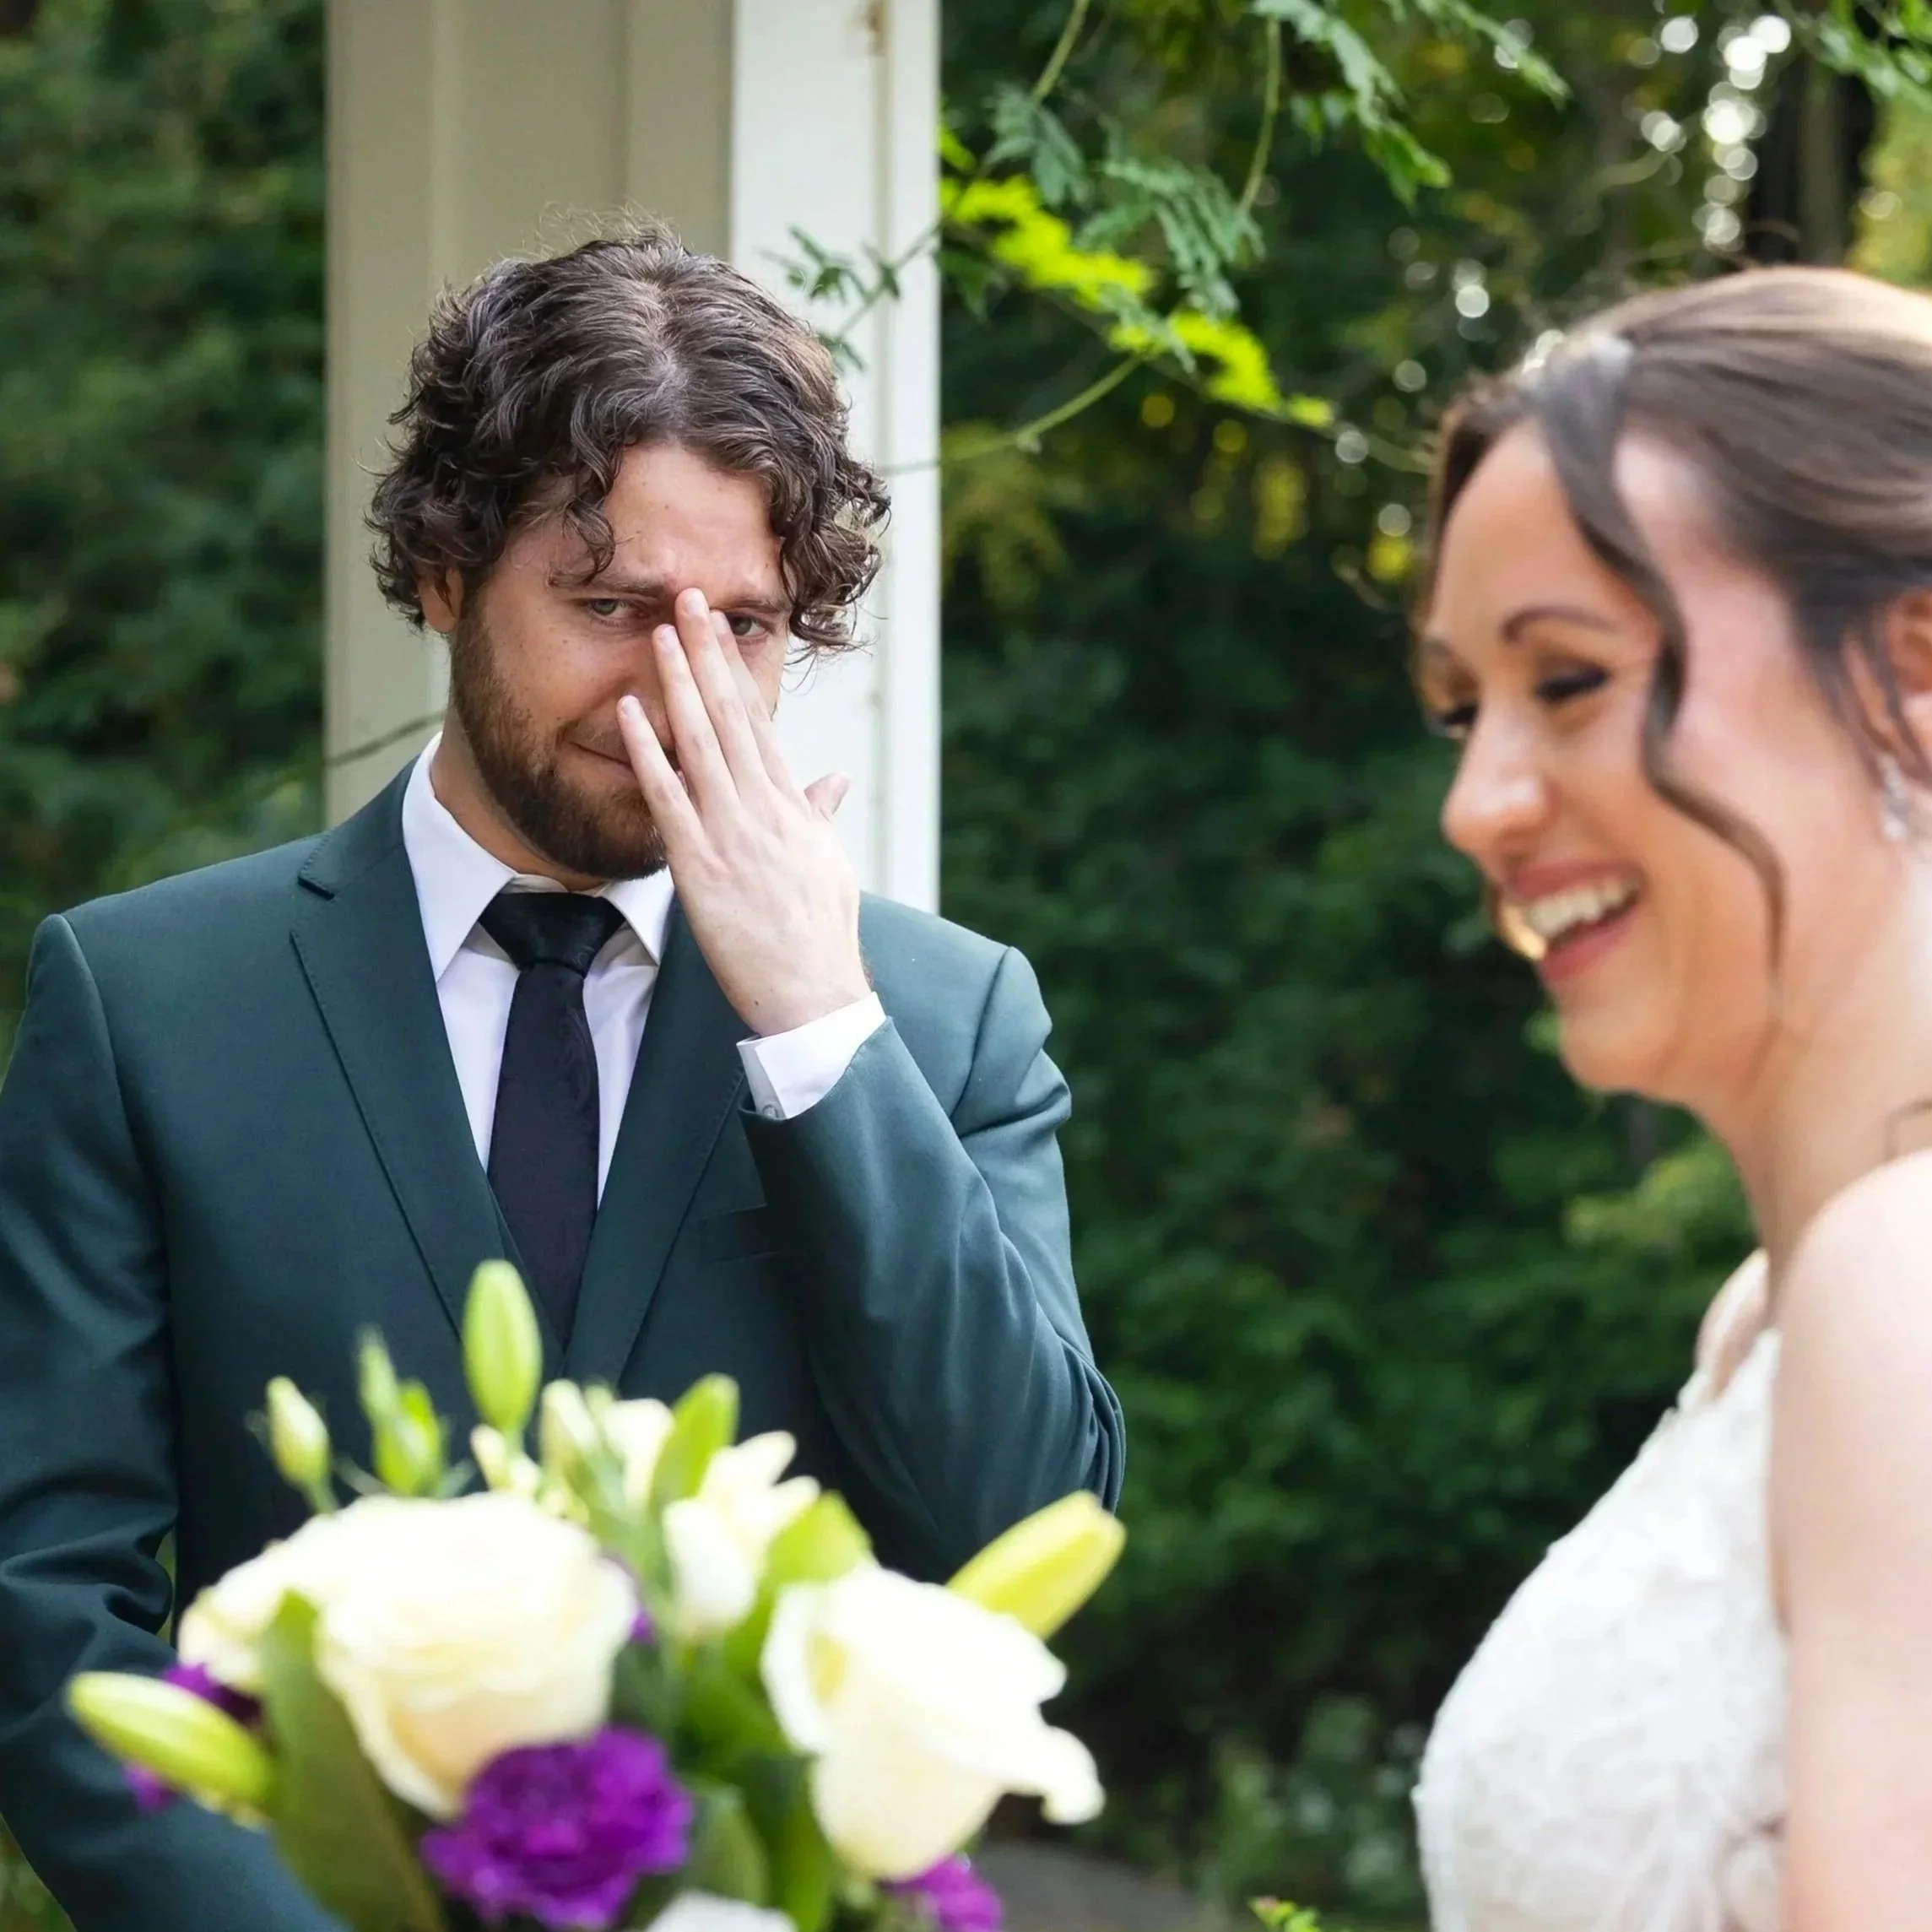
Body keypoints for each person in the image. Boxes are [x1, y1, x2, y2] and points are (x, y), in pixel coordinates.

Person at [0, 221, 1123, 1932]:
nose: (674, 691)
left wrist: (817, 1029)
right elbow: (42, 1605)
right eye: (611, 609)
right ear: (447, 571)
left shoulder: (944, 1020)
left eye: (745, 627)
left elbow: (1018, 1531)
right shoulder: (145, 1003)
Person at [1407, 264, 1932, 1932]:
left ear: (1914, 666)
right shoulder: (1766, 1317)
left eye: (1566, 680)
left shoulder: (1902, 1285)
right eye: (1461, 709)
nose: (1475, 802)